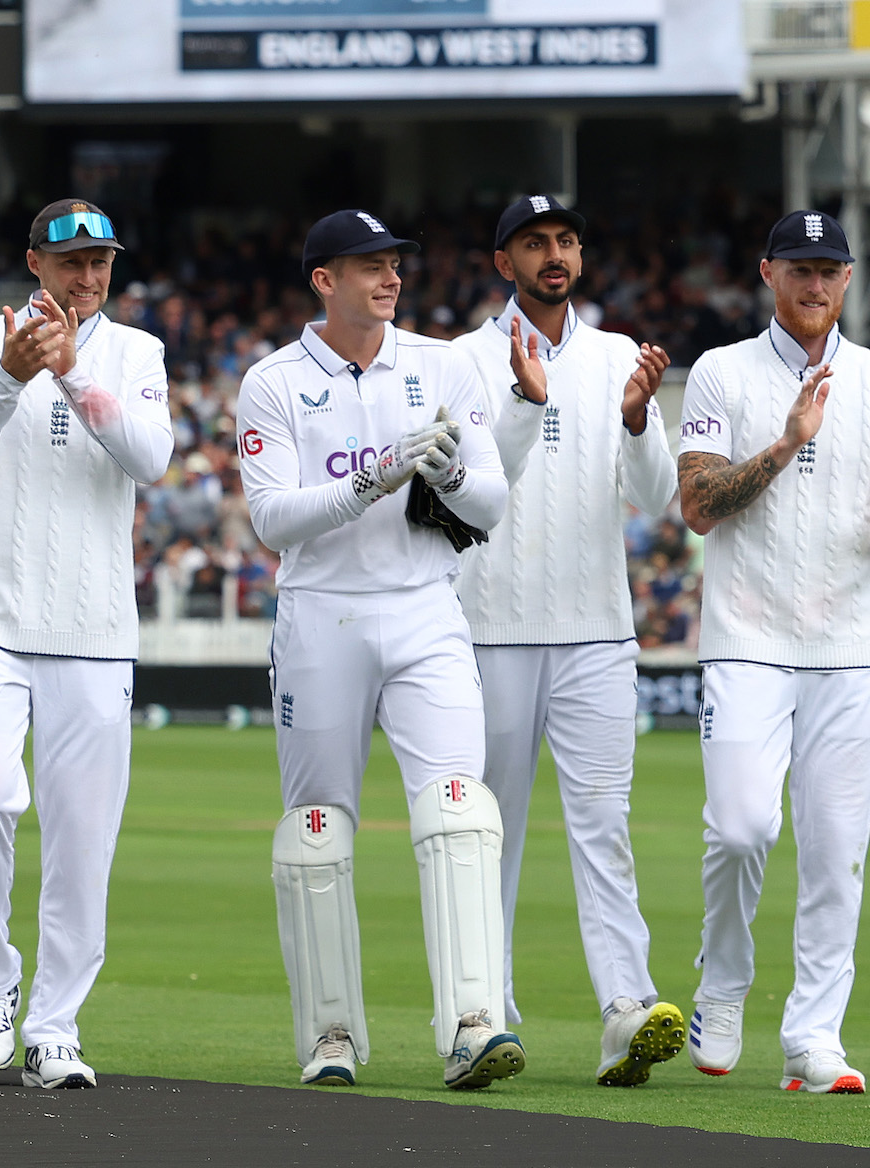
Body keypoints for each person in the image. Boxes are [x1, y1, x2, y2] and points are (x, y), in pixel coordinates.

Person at [235, 208, 516, 1090]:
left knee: (459, 810)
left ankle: (473, 1024)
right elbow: (272, 518)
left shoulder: (444, 364)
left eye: (395, 263)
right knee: (316, 830)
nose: (390, 278)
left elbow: (492, 502)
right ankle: (330, 1037)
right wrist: (372, 477)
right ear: (325, 280)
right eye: (369, 266)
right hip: (322, 616)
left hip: (426, 608)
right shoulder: (272, 381)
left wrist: (448, 475)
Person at [677, 209, 870, 1095]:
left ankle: (815, 1035)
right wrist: (786, 443)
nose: (815, 284)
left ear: (849, 280)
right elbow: (698, 506)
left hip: (852, 644)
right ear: (768, 274)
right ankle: (725, 981)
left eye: (830, 269)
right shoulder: (722, 371)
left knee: (836, 851)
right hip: (746, 637)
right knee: (743, 828)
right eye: (799, 268)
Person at [0, 199, 173, 1089]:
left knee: (81, 841)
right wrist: (7, 374)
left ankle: (55, 1025)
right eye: (70, 261)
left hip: (95, 629)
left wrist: (71, 376)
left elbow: (150, 458)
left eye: (101, 260)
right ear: (34, 263)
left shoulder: (136, 352)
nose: (88, 277)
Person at [452, 194, 685, 1086]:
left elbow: (659, 497)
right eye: (534, 243)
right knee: (485, 835)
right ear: (502, 260)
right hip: (488, 629)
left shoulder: (621, 356)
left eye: (565, 241)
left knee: (603, 826)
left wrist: (637, 419)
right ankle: (478, 1012)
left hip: (595, 631)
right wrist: (517, 399)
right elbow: (469, 485)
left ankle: (627, 1008)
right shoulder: (464, 359)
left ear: (581, 256)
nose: (554, 255)